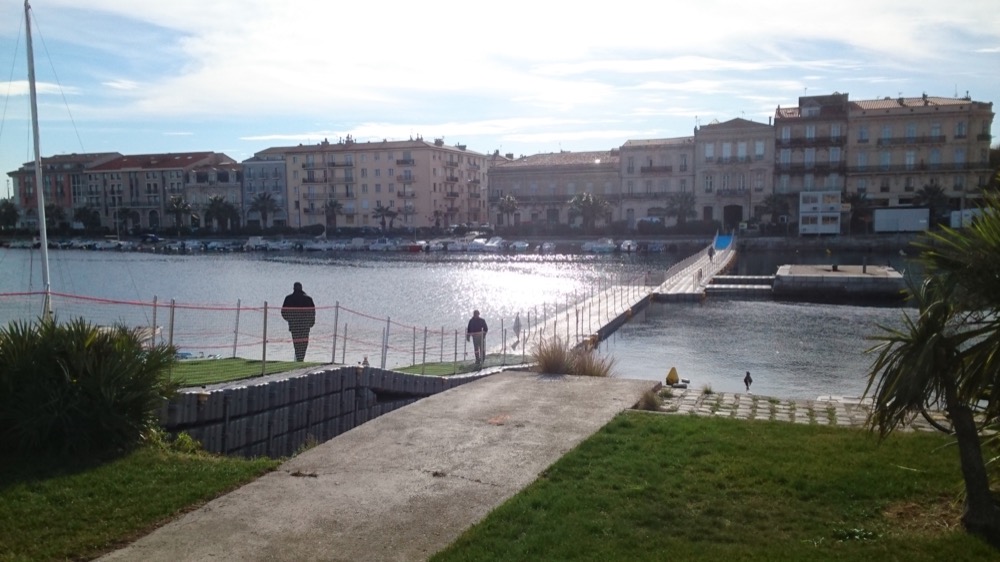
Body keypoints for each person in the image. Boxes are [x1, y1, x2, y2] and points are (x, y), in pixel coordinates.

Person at [281, 282, 315, 362]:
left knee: (296, 343)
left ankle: (299, 358)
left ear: (293, 288)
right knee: (304, 343)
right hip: (305, 326)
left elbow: (283, 312)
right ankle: (301, 358)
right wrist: (311, 323)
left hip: (294, 325)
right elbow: (313, 313)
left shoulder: (288, 298)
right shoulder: (308, 299)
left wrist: (290, 319)